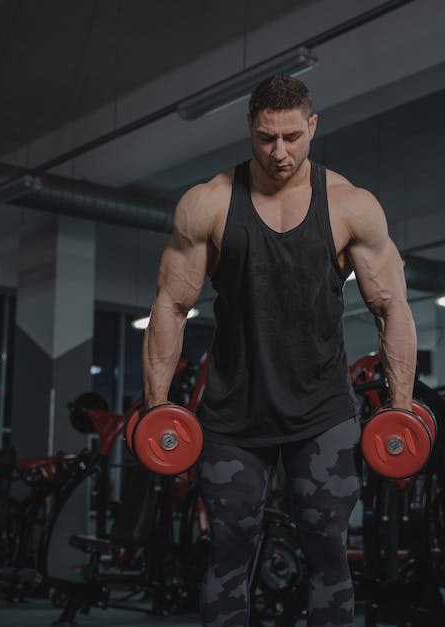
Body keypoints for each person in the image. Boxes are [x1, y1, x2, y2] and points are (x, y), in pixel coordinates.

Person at [142, 74, 416, 627]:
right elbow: (171, 305)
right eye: (267, 137)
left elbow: (392, 307)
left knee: (329, 557)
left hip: (323, 413)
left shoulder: (350, 206)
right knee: (226, 558)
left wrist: (401, 407)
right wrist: (156, 408)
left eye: (292, 136)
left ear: (312, 126)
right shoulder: (209, 204)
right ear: (250, 128)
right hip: (232, 416)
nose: (280, 151)